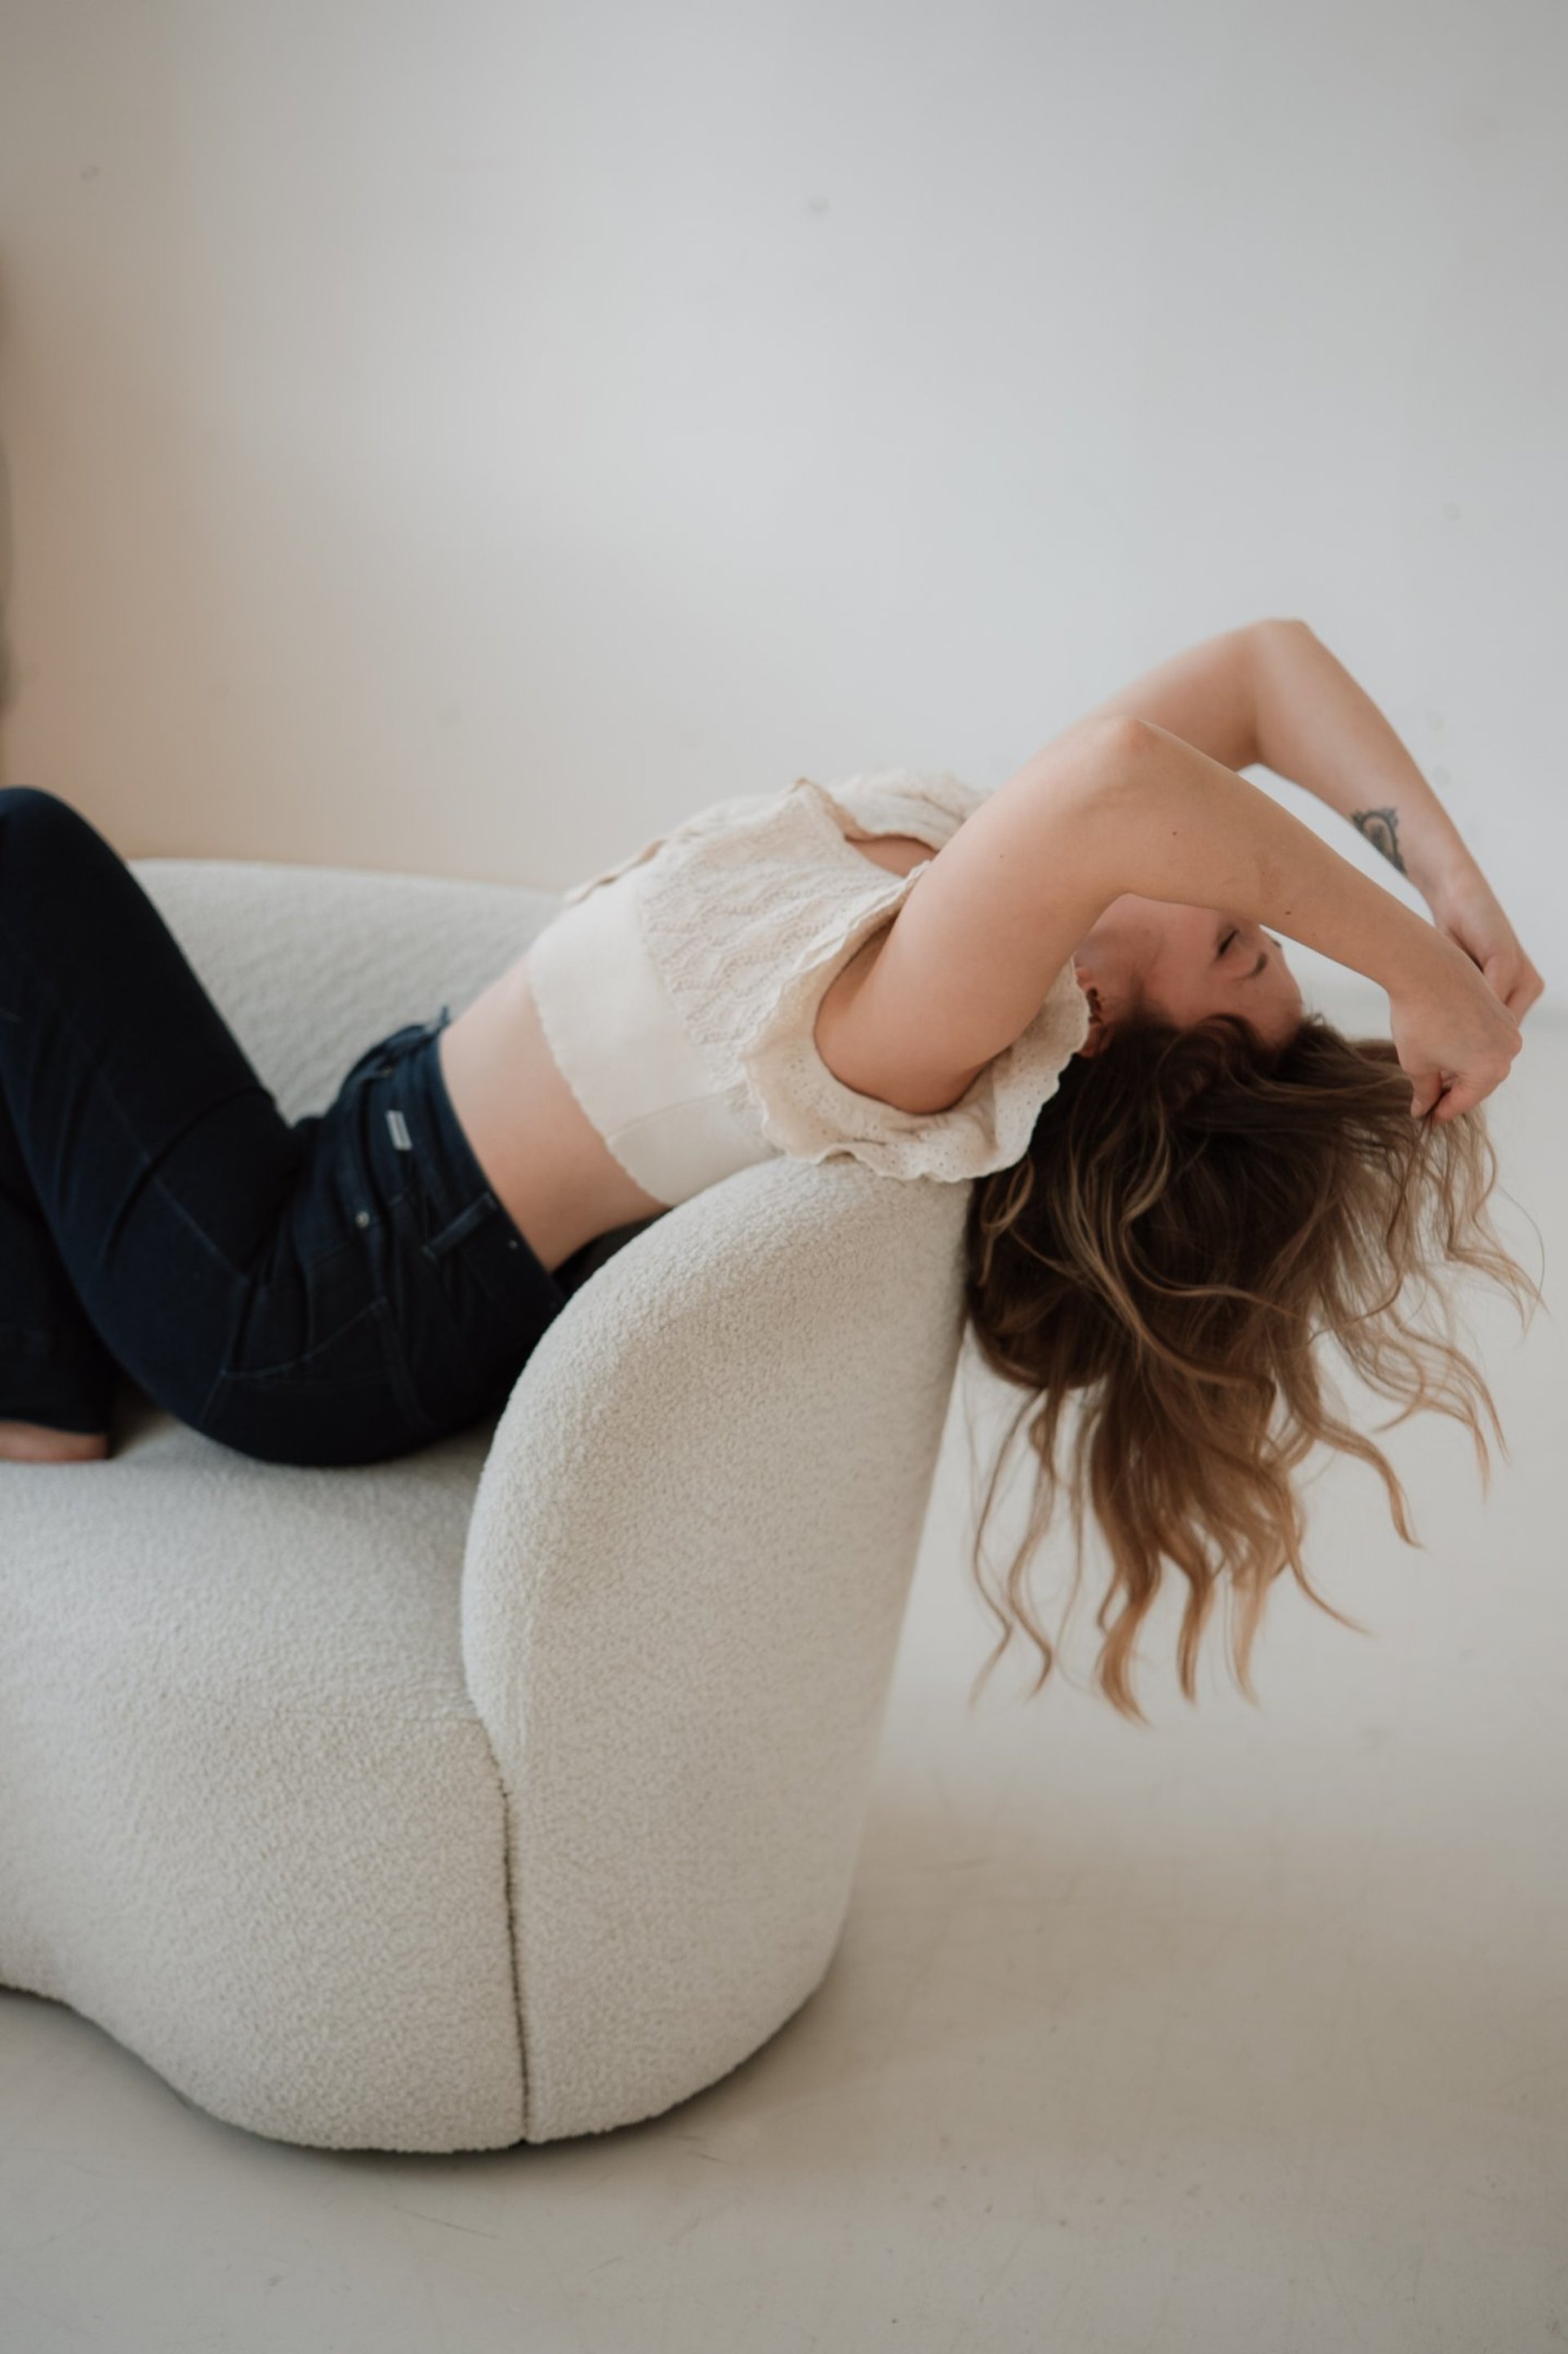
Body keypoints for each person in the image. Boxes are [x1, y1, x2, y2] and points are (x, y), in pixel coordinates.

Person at [0, 620, 1540, 1715]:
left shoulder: (937, 1013)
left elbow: (1124, 780)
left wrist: (1402, 967)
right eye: (1255, 927)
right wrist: (1458, 913)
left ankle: (39, 1388)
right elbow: (1266, 667)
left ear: (1102, 1034)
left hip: (307, 1302)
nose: (1231, 884)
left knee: (21, 857)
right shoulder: (980, 876)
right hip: (358, 1193)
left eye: (1229, 940)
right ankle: (45, 1388)